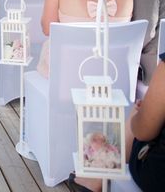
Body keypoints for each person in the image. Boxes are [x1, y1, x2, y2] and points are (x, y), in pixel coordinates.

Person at [69, 53, 165, 192]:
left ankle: (98, 176)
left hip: (158, 176)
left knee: (140, 114)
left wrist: (137, 117)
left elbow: (144, 132)